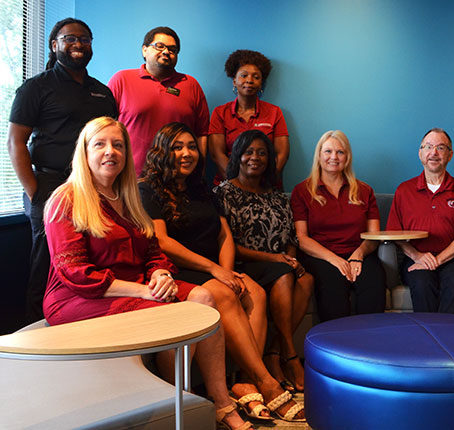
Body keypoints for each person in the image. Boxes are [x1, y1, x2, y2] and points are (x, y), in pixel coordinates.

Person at [42, 117, 253, 430]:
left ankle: (221, 403)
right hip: (77, 297)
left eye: (118, 144)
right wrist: (143, 290)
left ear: (127, 153)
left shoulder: (128, 197)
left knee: (206, 298)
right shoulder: (66, 199)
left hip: (140, 286)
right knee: (178, 313)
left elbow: (154, 252)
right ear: (84, 153)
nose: (109, 151)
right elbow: (75, 273)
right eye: (99, 144)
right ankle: (178, 401)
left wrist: (160, 275)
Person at [139, 123, 305, 422]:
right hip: (177, 270)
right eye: (178, 147)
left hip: (213, 268)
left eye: (191, 146)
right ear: (162, 151)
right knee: (227, 292)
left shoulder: (200, 187)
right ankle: (266, 381)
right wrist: (215, 271)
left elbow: (224, 235)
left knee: (253, 290)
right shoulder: (147, 189)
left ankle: (244, 381)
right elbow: (162, 241)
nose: (187, 153)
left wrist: (228, 272)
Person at [7, 18, 118, 322]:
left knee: (92, 259)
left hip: (95, 189)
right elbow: (15, 143)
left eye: (85, 38)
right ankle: (37, 335)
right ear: (55, 45)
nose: (78, 44)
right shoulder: (36, 87)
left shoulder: (103, 92)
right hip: (52, 187)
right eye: (69, 38)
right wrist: (37, 191)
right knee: (47, 264)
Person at [215, 129, 313, 393]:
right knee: (283, 274)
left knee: (307, 280)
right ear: (238, 156)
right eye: (249, 152)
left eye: (261, 153)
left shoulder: (277, 196)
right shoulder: (223, 194)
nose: (255, 158)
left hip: (279, 264)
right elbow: (228, 244)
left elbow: (291, 235)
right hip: (244, 264)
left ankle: (273, 353)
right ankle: (291, 357)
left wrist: (291, 260)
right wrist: (278, 260)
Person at [291, 130, 386, 322]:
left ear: (347, 157)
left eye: (340, 152)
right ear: (319, 155)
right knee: (332, 288)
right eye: (327, 151)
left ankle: (370, 344)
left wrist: (357, 256)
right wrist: (335, 260)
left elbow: (374, 236)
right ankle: (337, 347)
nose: (333, 157)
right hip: (321, 256)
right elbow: (302, 238)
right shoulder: (302, 191)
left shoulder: (365, 191)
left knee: (374, 283)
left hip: (359, 253)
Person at [386, 128, 454, 314]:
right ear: (420, 153)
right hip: (415, 258)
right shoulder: (404, 190)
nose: (433, 153)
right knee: (421, 283)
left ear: (450, 155)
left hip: (453, 261)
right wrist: (417, 256)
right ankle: (426, 338)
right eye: (428, 147)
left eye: (441, 147)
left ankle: (444, 337)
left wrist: (437, 260)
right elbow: (393, 233)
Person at [108, 26, 209, 175]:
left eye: (172, 49)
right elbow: (105, 129)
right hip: (130, 178)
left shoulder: (191, 84)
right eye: (159, 46)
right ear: (144, 50)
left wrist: (198, 171)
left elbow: (202, 133)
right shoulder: (122, 80)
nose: (166, 52)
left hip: (179, 178)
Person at [208, 50, 289, 186]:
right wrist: (239, 185)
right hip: (229, 186)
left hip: (266, 187)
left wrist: (262, 184)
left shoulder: (275, 112)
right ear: (234, 81)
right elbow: (217, 154)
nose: (249, 80)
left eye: (256, 77)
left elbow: (282, 154)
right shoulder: (220, 113)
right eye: (244, 75)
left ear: (261, 82)